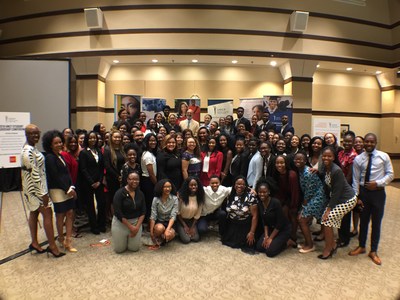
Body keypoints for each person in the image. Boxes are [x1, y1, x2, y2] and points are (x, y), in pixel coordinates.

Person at [349, 133, 394, 265]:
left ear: (375, 142)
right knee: (363, 221)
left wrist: (378, 183)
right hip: (364, 193)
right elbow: (355, 179)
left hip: (378, 193)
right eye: (366, 142)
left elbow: (391, 174)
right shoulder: (358, 159)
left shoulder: (383, 156)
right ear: (363, 143)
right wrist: (356, 197)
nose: (369, 144)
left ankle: (373, 251)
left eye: (371, 142)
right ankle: (361, 246)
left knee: (376, 222)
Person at [21, 124, 64, 258]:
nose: (35, 136)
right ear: (26, 134)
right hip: (36, 190)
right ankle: (52, 246)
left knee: (34, 213)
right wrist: (43, 194)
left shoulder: (32, 149)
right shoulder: (27, 152)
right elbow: (34, 174)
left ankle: (34, 242)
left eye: (37, 133)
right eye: (32, 133)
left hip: (32, 189)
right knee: (47, 213)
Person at [319, 146, 357, 259]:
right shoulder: (325, 167)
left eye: (329, 156)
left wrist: (329, 209)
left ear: (334, 157)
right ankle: (332, 245)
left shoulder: (336, 170)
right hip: (338, 199)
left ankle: (328, 248)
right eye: (324, 155)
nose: (326, 157)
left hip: (347, 199)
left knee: (327, 220)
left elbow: (337, 192)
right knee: (327, 220)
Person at [43, 130, 77, 253]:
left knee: (70, 213)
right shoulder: (50, 158)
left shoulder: (61, 155)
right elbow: (55, 176)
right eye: (55, 143)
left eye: (60, 142)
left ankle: (68, 240)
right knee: (60, 214)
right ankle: (61, 238)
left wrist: (72, 187)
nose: (59, 144)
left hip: (67, 188)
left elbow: (67, 173)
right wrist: (67, 189)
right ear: (50, 144)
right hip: (57, 190)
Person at [293, 151, 327, 253]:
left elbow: (309, 192)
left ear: (305, 161)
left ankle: (310, 245)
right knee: (302, 218)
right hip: (313, 197)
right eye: (296, 159)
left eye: (301, 159)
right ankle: (307, 243)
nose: (298, 161)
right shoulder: (300, 171)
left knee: (302, 219)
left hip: (318, 197)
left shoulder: (308, 173)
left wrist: (303, 207)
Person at [78, 131, 106, 235]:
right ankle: (94, 226)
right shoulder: (84, 152)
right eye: (90, 138)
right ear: (87, 139)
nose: (92, 140)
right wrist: (92, 182)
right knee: (90, 206)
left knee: (101, 203)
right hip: (88, 183)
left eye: (94, 138)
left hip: (99, 182)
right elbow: (83, 169)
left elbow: (101, 167)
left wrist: (99, 181)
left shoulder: (99, 151)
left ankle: (101, 224)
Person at [220, 176, 258, 252]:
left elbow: (255, 216)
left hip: (244, 225)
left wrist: (252, 232)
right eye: (237, 183)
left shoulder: (251, 196)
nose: (239, 186)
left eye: (242, 184)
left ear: (245, 185)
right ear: (234, 184)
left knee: (246, 244)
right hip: (232, 223)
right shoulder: (230, 193)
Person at [255, 177, 291, 257]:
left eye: (264, 192)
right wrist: (266, 236)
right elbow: (264, 222)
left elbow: (280, 223)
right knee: (259, 247)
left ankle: (287, 242)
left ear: (269, 192)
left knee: (270, 252)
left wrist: (270, 238)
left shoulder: (276, 202)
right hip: (271, 229)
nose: (262, 194)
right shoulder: (260, 203)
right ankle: (274, 241)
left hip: (282, 230)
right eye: (260, 192)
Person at [112, 172, 146, 253]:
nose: (134, 181)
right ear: (127, 180)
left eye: (136, 179)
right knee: (119, 250)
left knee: (134, 249)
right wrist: (131, 227)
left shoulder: (140, 193)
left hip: (136, 223)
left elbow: (143, 211)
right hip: (121, 223)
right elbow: (118, 212)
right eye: (132, 179)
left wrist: (136, 227)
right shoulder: (119, 193)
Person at [272, 155, 301, 244]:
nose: (279, 165)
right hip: (282, 198)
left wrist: (293, 206)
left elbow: (295, 192)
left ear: (286, 163)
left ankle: (293, 237)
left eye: (281, 163)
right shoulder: (276, 173)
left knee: (292, 215)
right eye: (277, 163)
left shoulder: (292, 175)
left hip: (292, 199)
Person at [336, 131, 358, 247]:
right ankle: (341, 236)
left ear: (354, 142)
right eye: (345, 141)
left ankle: (345, 239)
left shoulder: (354, 156)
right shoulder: (340, 153)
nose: (347, 143)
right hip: (338, 185)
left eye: (350, 141)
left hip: (346, 188)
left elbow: (350, 175)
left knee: (345, 215)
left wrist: (341, 188)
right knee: (340, 214)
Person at [150, 179, 179, 247]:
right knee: (159, 228)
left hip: (170, 222)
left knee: (169, 234)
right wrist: (151, 232)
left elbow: (173, 216)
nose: (168, 189)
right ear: (161, 188)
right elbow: (153, 216)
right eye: (165, 187)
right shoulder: (156, 199)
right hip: (159, 221)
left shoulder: (174, 199)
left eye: (169, 187)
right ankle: (158, 236)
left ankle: (163, 238)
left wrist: (167, 230)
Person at [176, 177, 205, 243]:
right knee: (186, 240)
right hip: (181, 220)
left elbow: (197, 214)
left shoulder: (199, 198)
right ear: (187, 186)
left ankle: (186, 230)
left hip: (191, 221)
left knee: (196, 238)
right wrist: (185, 226)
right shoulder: (181, 196)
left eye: (195, 185)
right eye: (191, 185)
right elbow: (178, 212)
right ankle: (178, 230)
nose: (193, 187)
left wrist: (192, 227)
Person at [140, 133, 158, 221]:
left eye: (154, 140)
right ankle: (148, 222)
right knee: (150, 202)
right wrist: (157, 185)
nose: (153, 142)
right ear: (146, 142)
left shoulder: (150, 153)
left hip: (149, 180)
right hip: (148, 181)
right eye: (150, 140)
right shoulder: (147, 155)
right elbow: (151, 174)